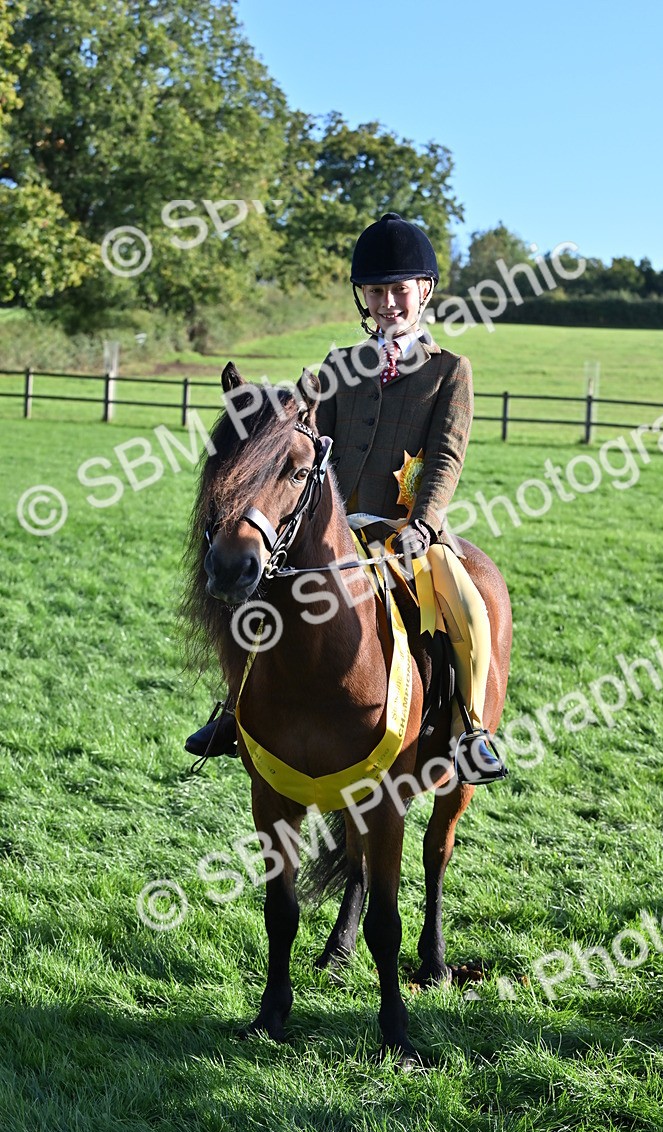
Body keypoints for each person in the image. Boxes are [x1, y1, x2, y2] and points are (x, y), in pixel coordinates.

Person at [187, 212, 506, 783]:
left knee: (468, 599)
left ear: (424, 292)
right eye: (376, 291)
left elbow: (447, 457)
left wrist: (427, 523)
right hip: (335, 525)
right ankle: (234, 708)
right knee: (263, 600)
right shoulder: (338, 367)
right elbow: (311, 444)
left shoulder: (449, 371)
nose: (387, 302)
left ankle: (470, 728)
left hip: (408, 530)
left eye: (398, 290)